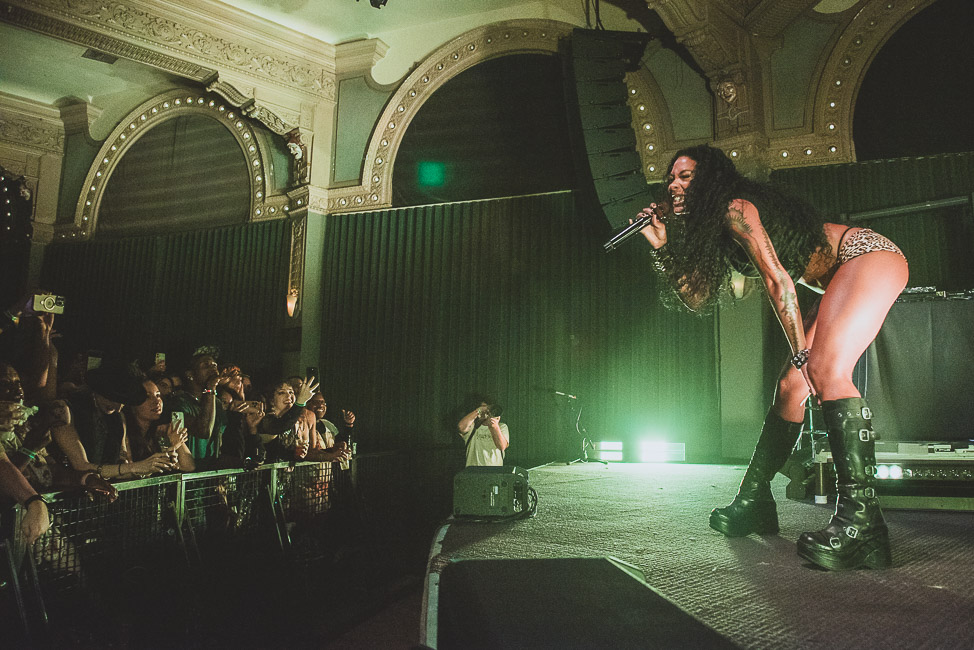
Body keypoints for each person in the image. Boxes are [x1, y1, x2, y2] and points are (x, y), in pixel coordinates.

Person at [635, 144, 908, 570]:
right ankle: (754, 501)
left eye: (685, 177)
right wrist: (661, 246)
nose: (674, 185)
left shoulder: (735, 207)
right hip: (837, 277)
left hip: (867, 255)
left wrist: (801, 348)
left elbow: (779, 280)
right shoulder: (711, 227)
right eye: (671, 179)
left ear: (710, 180)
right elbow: (695, 297)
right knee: (789, 388)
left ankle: (864, 526)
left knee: (822, 370)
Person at [457, 402, 509, 467]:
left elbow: (502, 446)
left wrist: (494, 426)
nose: (487, 412)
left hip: (494, 472)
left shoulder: (501, 427)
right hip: (473, 471)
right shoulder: (472, 427)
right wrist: (478, 411)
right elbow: (461, 427)